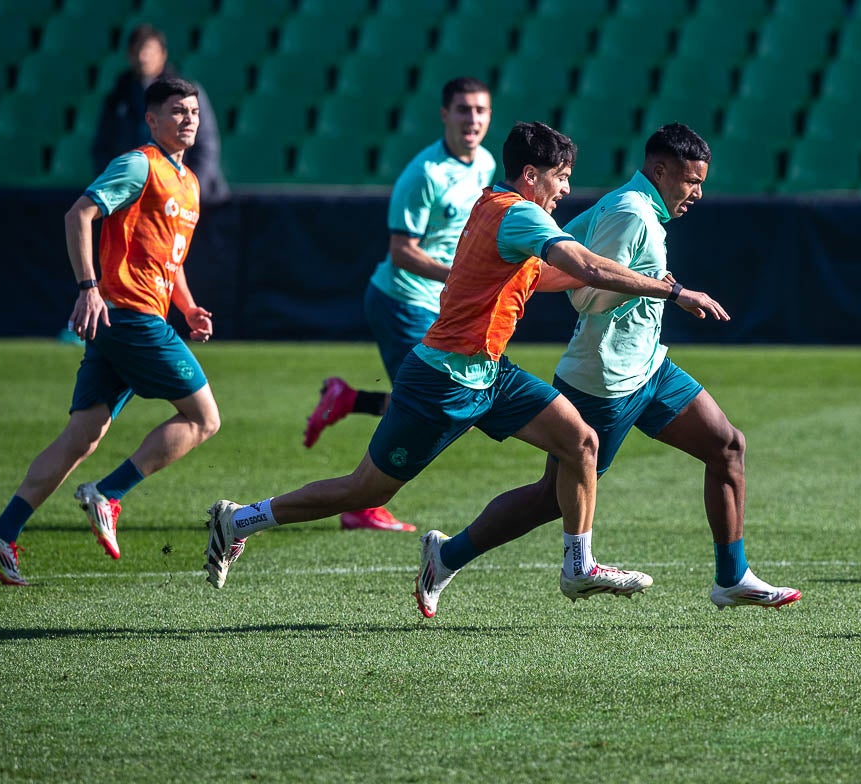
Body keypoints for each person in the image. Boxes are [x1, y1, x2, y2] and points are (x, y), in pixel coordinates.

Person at [204, 122, 730, 610]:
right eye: (561, 178)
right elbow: (584, 265)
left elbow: (557, 277)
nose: (565, 189)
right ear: (531, 176)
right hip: (442, 378)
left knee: (582, 443)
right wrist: (671, 289)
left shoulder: (497, 207)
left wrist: (619, 268)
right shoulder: (521, 213)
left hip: (490, 373)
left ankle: (578, 564)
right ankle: (240, 519)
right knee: (364, 490)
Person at [411, 124, 801, 614]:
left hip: (649, 368)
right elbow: (586, 295)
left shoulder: (643, 206)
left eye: (701, 182)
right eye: (690, 181)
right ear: (660, 170)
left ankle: (732, 576)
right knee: (550, 499)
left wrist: (650, 282)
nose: (697, 193)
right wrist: (659, 286)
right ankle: (446, 555)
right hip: (603, 381)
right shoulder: (631, 212)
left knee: (727, 446)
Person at [0, 78, 221, 586]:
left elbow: (169, 260)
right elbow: (79, 214)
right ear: (152, 120)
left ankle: (1, 531)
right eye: (177, 111)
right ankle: (109, 493)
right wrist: (88, 286)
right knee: (203, 418)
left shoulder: (189, 182)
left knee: (82, 434)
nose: (189, 119)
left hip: (127, 319)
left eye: (193, 111)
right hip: (128, 314)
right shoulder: (139, 164)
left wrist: (189, 307)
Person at [300, 76, 496, 534]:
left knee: (449, 409)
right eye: (463, 110)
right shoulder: (424, 173)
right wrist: (461, 277)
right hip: (403, 301)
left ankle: (348, 401)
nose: (472, 119)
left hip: (443, 307)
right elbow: (402, 251)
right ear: (444, 115)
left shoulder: (485, 163)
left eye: (481, 111)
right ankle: (362, 503)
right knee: (437, 408)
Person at [93, 23, 228, 204]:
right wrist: (116, 191)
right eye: (137, 51)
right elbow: (102, 147)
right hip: (135, 203)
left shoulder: (186, 93)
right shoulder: (117, 97)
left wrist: (189, 192)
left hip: (189, 201)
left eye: (148, 51)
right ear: (129, 55)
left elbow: (206, 145)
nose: (143, 58)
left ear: (163, 55)